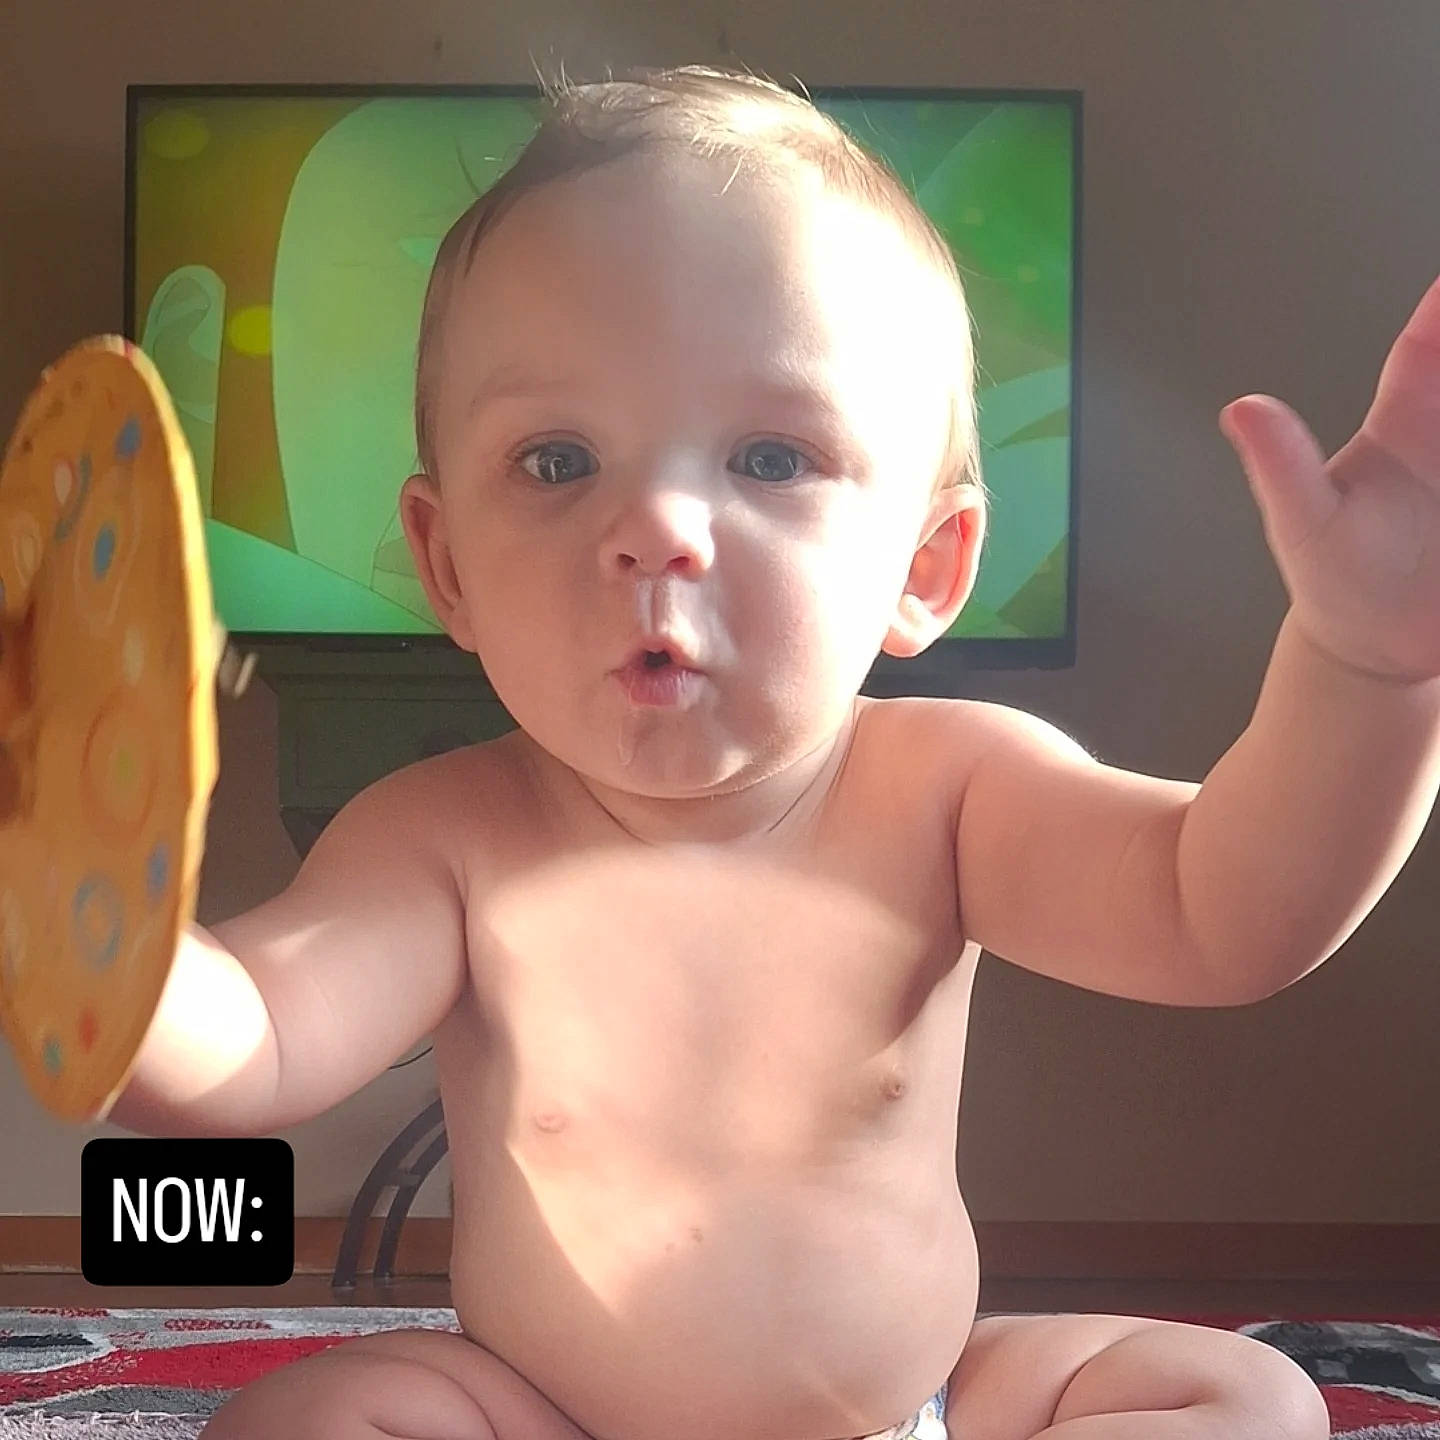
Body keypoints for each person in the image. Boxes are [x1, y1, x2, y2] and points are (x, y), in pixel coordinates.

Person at [109, 61, 1440, 1440]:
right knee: (302, 1421)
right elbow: (250, 1042)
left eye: (770, 459)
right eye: (560, 461)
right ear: (447, 567)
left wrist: (1367, 671)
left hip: (909, 1409)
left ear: (928, 568)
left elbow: (1223, 907)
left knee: (1250, 1397)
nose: (657, 527)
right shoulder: (442, 836)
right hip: (543, 1417)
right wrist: (72, 905)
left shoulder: (951, 791)